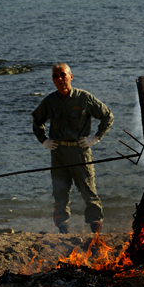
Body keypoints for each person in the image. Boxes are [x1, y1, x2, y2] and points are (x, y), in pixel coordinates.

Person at [32, 63, 114, 234]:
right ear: (53, 80)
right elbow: (37, 120)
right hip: (58, 154)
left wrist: (96, 138)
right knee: (60, 195)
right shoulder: (50, 102)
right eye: (56, 76)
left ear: (71, 76)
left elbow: (107, 115)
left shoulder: (83, 98)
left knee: (89, 193)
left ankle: (96, 229)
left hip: (80, 152)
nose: (60, 79)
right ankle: (63, 231)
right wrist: (44, 140)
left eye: (63, 75)